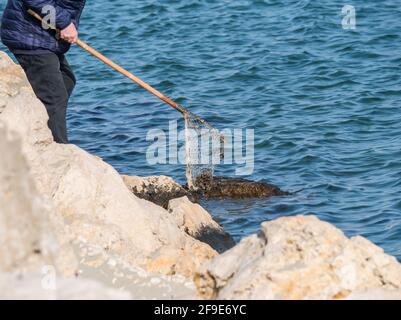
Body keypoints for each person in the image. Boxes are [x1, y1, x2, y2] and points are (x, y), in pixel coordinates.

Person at [1, 0, 87, 143]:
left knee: (67, 80)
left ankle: (35, 127)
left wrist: (59, 23)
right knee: (55, 96)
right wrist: (64, 23)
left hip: (43, 35)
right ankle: (58, 148)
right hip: (28, 36)